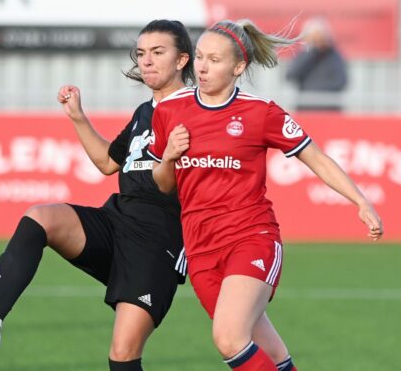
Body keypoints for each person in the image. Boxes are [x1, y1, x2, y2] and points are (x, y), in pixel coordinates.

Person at [0, 19, 194, 371]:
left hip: (158, 243)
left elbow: (177, 185)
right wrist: (78, 117)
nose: (146, 61)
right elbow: (108, 163)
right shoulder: (146, 112)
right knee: (41, 217)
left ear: (182, 60)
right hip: (117, 222)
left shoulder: (196, 112)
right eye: (141, 53)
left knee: (123, 356)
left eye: (158, 53)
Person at [149, 19, 383, 371]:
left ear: (238, 66)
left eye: (214, 59)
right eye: (200, 57)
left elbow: (315, 157)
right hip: (199, 247)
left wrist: (360, 200)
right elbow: (164, 183)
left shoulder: (261, 113)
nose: (202, 67)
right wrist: (168, 157)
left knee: (228, 338)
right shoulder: (169, 110)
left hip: (251, 237)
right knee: (271, 355)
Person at [286, 17, 348, 111]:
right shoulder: (304, 54)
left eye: (319, 36)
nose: (317, 40)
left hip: (329, 110)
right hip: (306, 109)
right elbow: (291, 75)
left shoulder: (334, 56)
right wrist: (313, 51)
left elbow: (341, 81)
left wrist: (319, 94)